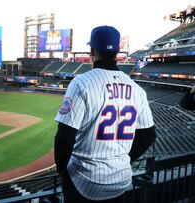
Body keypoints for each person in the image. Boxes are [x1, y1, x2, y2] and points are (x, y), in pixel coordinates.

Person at [54, 25, 156, 203]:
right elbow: (148, 135)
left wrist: (62, 170)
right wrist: (124, 159)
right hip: (120, 181)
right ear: (117, 51)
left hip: (84, 181)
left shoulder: (81, 83)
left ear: (92, 50)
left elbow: (64, 137)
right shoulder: (137, 90)